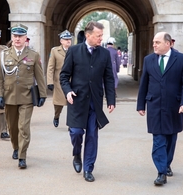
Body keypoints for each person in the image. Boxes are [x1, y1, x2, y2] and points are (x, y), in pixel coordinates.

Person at [60, 21, 115, 182]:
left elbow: (109, 78)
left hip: (95, 103)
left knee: (92, 135)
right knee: (76, 133)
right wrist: (68, 91)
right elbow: (63, 76)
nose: (101, 38)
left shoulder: (104, 53)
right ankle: (77, 153)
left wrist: (111, 99)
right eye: (98, 35)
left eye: (101, 36)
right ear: (88, 35)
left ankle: (88, 168)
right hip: (77, 100)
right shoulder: (74, 51)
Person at [136, 32, 183, 186]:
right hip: (154, 105)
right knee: (158, 139)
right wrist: (141, 104)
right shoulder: (148, 60)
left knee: (171, 137)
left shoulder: (182, 59)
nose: (154, 45)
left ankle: (167, 163)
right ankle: (161, 172)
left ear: (168, 44)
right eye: (153, 42)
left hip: (174, 106)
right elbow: (144, 84)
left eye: (157, 42)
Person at [0, 24, 47, 169]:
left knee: (23, 127)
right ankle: (16, 147)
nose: (17, 39)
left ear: (25, 38)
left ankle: (22, 156)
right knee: (12, 127)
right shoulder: (4, 54)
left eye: (20, 36)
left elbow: (39, 76)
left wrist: (42, 94)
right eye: (15, 36)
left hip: (27, 96)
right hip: (9, 95)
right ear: (12, 37)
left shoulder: (33, 55)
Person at [47, 30, 72, 127]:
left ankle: (71, 123)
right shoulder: (55, 51)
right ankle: (56, 116)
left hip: (72, 81)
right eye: (66, 39)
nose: (68, 41)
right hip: (59, 81)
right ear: (61, 41)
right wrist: (50, 82)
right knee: (58, 103)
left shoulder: (75, 49)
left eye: (69, 39)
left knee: (72, 103)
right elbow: (50, 67)